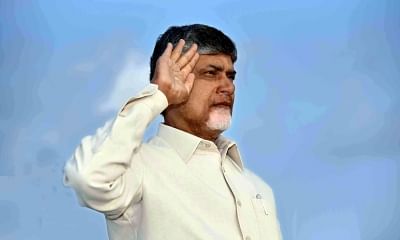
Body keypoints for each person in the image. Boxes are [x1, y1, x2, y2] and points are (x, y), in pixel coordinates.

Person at [64, 24, 282, 240]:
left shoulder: (257, 188)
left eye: (230, 76)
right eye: (211, 73)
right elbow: (87, 178)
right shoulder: (138, 169)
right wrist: (157, 95)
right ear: (171, 78)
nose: (228, 87)